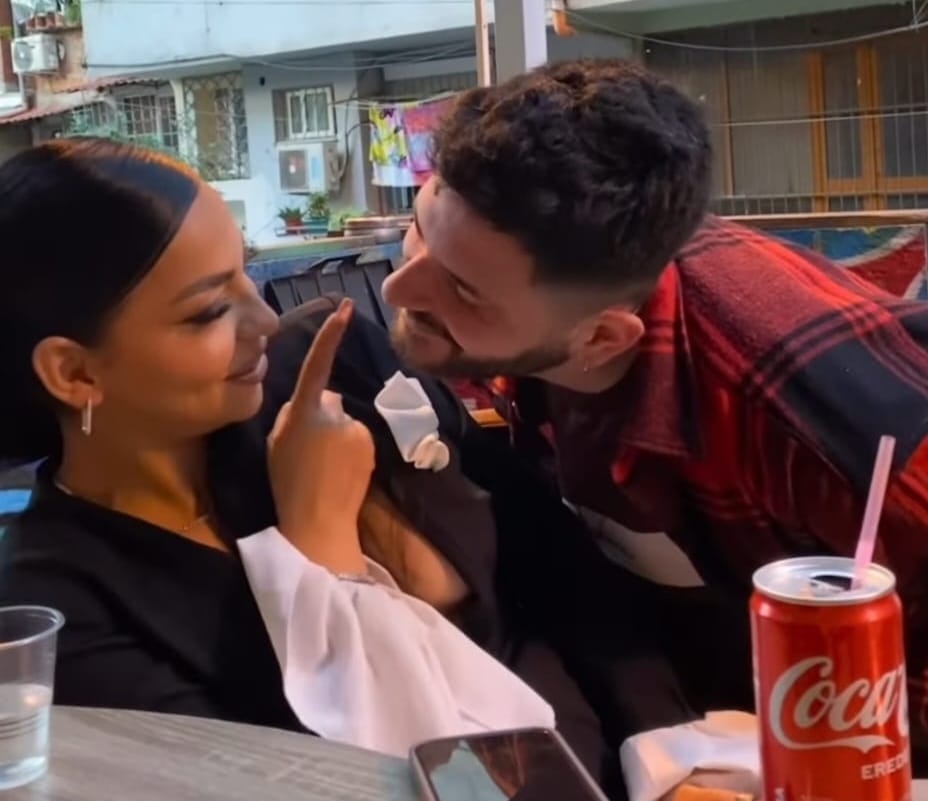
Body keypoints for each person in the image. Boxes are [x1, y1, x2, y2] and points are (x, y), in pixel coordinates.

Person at [0, 139, 690, 799]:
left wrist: (671, 746)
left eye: (246, 272)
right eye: (209, 311)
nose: (263, 321)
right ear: (75, 371)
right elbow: (303, 781)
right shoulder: (57, 610)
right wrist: (320, 552)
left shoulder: (329, 366)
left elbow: (557, 559)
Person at [381, 57, 928, 768]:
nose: (398, 288)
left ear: (602, 339)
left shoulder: (804, 420)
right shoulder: (563, 283)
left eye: (463, 290)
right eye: (421, 224)